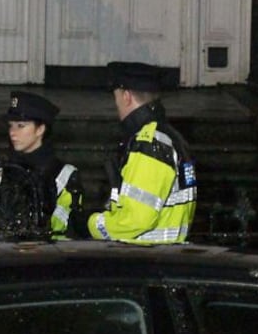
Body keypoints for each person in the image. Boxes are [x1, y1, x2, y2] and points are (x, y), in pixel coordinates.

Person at [83, 62, 197, 243]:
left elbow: (135, 220)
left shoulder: (149, 143)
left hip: (144, 253)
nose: (116, 105)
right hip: (163, 252)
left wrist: (91, 224)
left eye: (116, 98)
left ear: (126, 97)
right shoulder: (168, 136)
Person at [0, 90, 84, 240]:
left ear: (40, 129)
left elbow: (64, 228)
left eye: (21, 126)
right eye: (11, 126)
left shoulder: (64, 175)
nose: (13, 132)